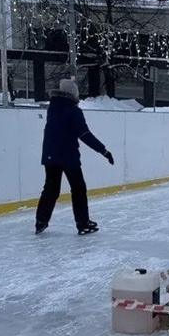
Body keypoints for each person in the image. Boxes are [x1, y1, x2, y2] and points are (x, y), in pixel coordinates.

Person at [35, 78, 114, 235]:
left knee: (51, 189)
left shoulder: (53, 108)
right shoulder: (73, 111)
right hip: (68, 157)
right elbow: (85, 135)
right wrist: (104, 151)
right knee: (78, 189)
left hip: (50, 155)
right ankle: (83, 223)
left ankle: (41, 221)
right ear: (73, 94)